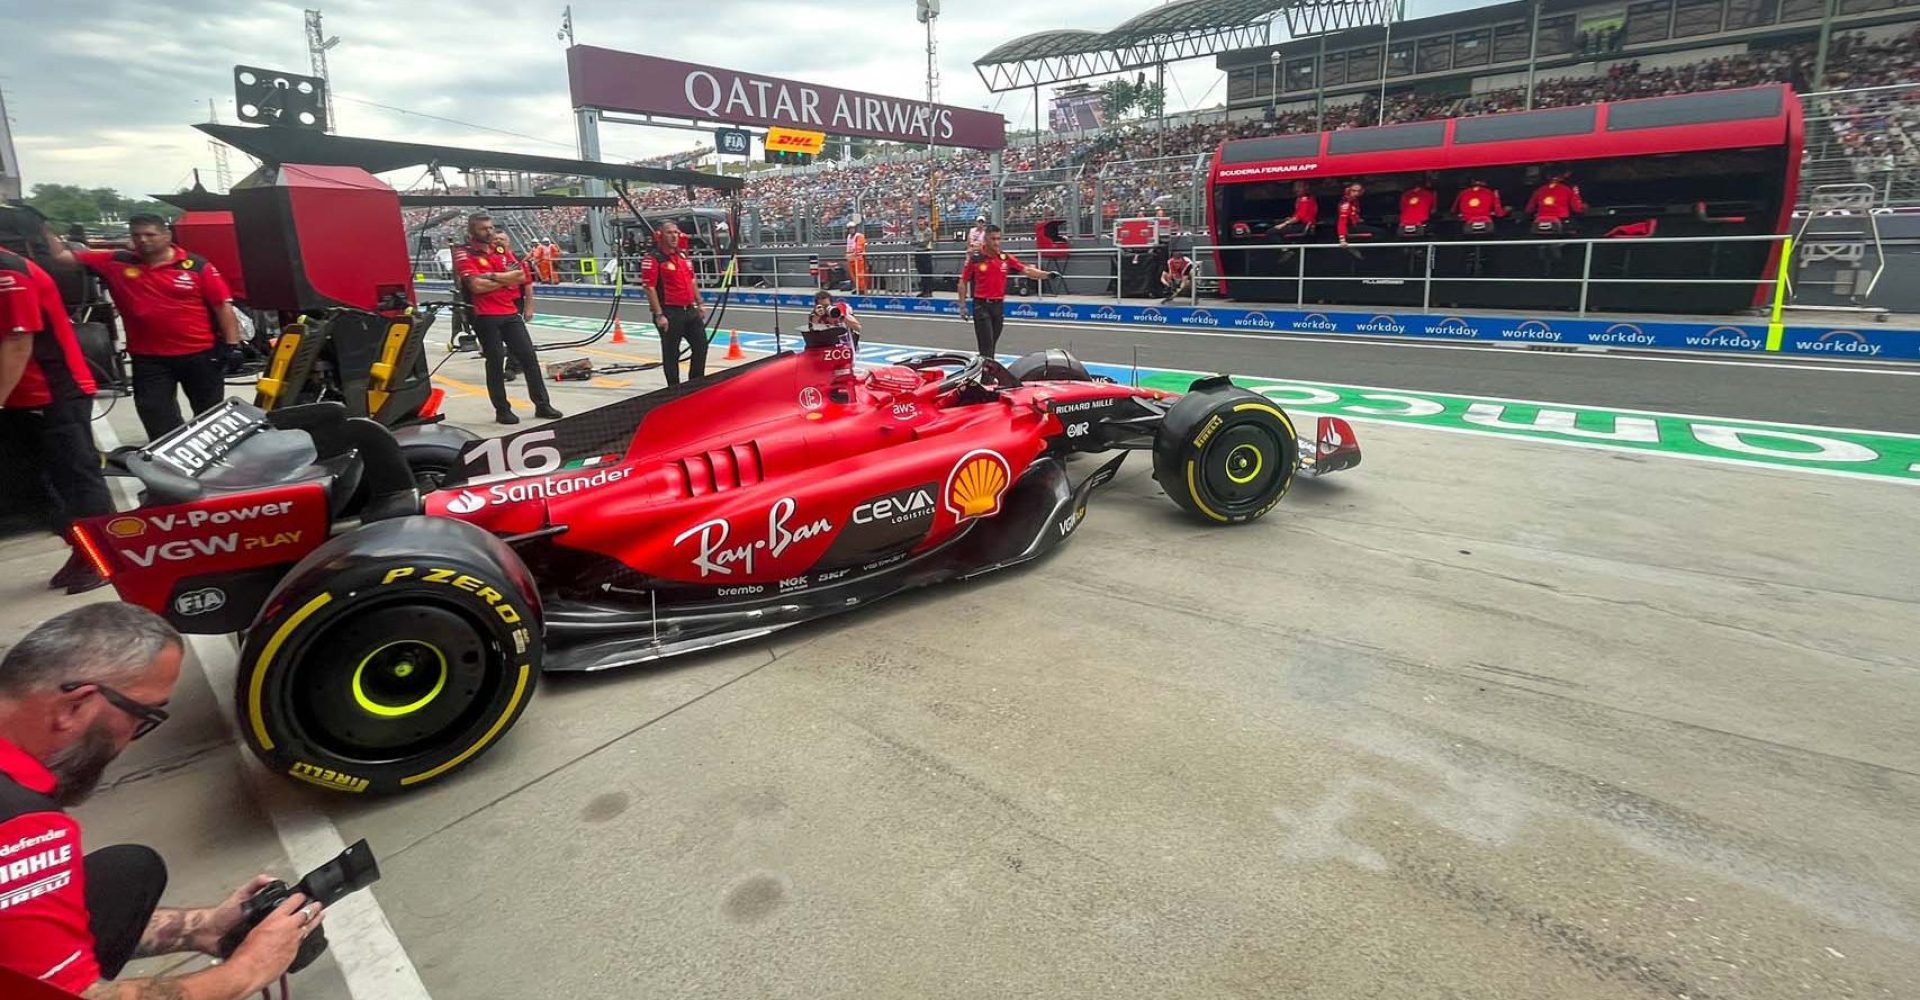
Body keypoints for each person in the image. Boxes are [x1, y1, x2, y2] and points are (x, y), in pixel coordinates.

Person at [0, 604, 323, 999]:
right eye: (142, 716)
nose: (135, 736)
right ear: (75, 707)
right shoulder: (21, 827)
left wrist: (204, 926)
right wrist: (248, 970)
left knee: (129, 872)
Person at [57, 216, 240, 441]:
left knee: (211, 414)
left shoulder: (197, 266)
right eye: (136, 235)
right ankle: (172, 460)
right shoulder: (116, 261)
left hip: (200, 354)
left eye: (150, 235)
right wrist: (39, 232)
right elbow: (63, 258)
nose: (143, 240)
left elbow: (222, 306)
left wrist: (233, 346)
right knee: (155, 414)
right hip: (149, 358)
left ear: (167, 236)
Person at [1, 237, 114, 594]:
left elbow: (18, 342)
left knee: (76, 479)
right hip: (21, 396)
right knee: (40, 485)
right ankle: (83, 550)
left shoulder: (8, 272)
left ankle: (105, 558)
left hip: (51, 392)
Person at [451, 213, 561, 424]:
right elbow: (475, 286)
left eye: (491, 228)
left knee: (529, 357)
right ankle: (502, 410)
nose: (490, 232)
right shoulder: (463, 253)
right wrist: (504, 279)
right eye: (484, 228)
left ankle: (542, 404)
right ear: (472, 231)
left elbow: (519, 276)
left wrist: (491, 276)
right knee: (494, 362)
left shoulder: (500, 250)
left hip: (509, 312)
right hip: (484, 315)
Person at [956, 225, 1058, 358]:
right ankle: (987, 377)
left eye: (998, 239)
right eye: (993, 239)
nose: (996, 242)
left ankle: (985, 373)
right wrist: (962, 306)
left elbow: (1026, 270)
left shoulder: (1005, 258)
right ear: (986, 239)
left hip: (998, 306)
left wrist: (1047, 275)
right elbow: (963, 281)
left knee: (991, 345)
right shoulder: (976, 259)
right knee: (987, 346)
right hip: (981, 306)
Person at [639, 222, 709, 387]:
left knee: (701, 346)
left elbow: (692, 280)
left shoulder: (683, 257)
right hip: (669, 312)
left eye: (676, 233)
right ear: (661, 236)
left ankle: (696, 383)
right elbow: (649, 287)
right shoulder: (654, 258)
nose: (674, 236)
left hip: (689, 310)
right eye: (669, 233)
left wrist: (700, 303)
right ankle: (674, 388)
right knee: (671, 353)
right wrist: (659, 315)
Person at [1336, 183, 1380, 256]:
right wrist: (1342, 239)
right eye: (1354, 191)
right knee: (1380, 233)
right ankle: (1357, 248)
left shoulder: (1355, 201)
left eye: (1359, 191)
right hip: (1349, 229)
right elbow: (1342, 221)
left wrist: (1358, 219)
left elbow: (1354, 214)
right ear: (1348, 191)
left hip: (1355, 225)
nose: (1356, 193)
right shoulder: (1346, 203)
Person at [845, 222, 868, 294]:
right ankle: (857, 287)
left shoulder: (859, 236)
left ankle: (862, 289)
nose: (851, 230)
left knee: (860, 274)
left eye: (852, 228)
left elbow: (859, 247)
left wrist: (854, 253)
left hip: (858, 259)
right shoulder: (848, 236)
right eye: (850, 229)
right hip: (850, 258)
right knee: (853, 275)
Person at [913, 226, 935, 298]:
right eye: (919, 221)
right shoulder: (916, 231)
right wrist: (918, 242)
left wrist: (917, 242)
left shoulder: (928, 231)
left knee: (927, 272)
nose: (920, 223)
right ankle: (924, 291)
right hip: (918, 253)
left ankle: (929, 291)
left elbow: (925, 243)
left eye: (921, 220)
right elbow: (912, 242)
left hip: (925, 252)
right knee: (921, 272)